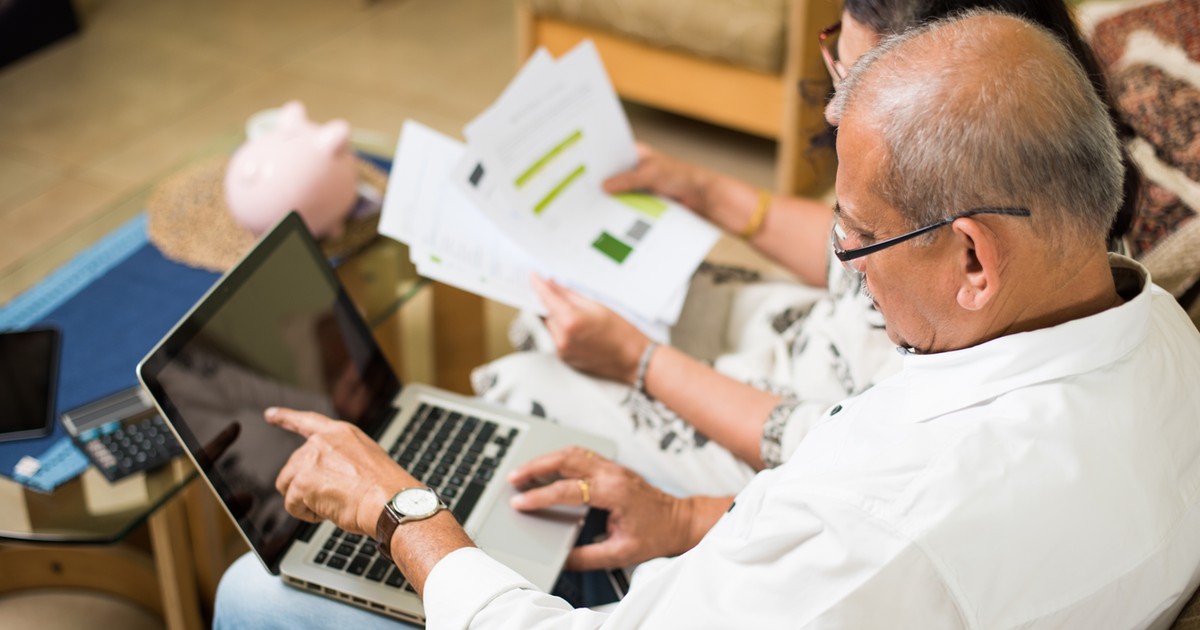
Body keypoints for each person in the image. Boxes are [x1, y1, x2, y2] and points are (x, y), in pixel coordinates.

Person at [216, 12, 1200, 627]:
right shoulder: (1155, 332)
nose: (847, 268)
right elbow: (867, 460)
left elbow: (872, 519)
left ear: (974, 258)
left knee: (255, 598)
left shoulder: (878, 517)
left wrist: (405, 512)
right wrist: (690, 516)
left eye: (856, 238)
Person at [472, 0, 1142, 498]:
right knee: (557, 309)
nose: (828, 111)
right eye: (836, 60)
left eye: (849, 86)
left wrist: (639, 362)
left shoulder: (968, 313)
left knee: (521, 384)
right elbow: (847, 254)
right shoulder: (1038, 169)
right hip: (814, 338)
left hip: (809, 422)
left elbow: (845, 449)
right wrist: (707, 191)